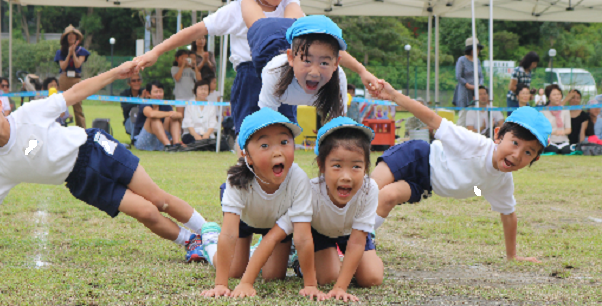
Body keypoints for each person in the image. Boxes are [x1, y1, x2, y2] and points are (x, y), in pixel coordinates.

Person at [0, 62, 208, 263]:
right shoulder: (0, 167)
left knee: (157, 199)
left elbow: (76, 92)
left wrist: (116, 73)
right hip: (80, 182)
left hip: (95, 149)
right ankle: (190, 242)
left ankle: (208, 231)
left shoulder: (31, 112)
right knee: (146, 213)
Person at [133, 0, 381, 135]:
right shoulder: (236, 11)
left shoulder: (291, 10)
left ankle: (279, 192)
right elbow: (195, 30)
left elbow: (326, 49)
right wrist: (156, 51)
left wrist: (362, 70)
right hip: (250, 77)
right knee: (249, 137)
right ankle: (246, 184)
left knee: (284, 135)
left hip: (286, 74)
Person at [370, 78, 549, 263]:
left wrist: (513, 256)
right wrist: (394, 95)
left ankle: (361, 238)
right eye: (515, 143)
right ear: (498, 135)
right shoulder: (474, 143)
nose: (518, 154)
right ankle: (345, 232)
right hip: (416, 156)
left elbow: (508, 215)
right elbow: (432, 119)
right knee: (370, 190)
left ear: (534, 159)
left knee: (388, 196)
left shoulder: (502, 182)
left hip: (425, 183)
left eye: (528, 152)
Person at [200, 108, 324, 300]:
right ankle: (208, 240)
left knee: (273, 275)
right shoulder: (237, 181)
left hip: (276, 222)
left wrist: (310, 285)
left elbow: (303, 237)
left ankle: (260, 249)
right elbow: (229, 234)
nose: (277, 152)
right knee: (234, 271)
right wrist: (220, 285)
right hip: (246, 218)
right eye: (265, 145)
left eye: (284, 142)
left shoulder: (298, 179)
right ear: (247, 156)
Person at [280, 117, 383, 301]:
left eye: (356, 166)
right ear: (321, 165)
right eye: (336, 166)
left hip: (352, 233)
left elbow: (357, 242)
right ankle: (299, 261)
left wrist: (340, 288)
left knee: (372, 278)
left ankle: (349, 257)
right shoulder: (310, 190)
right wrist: (333, 283)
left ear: (366, 167)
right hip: (320, 232)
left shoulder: (370, 188)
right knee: (329, 277)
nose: (346, 176)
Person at [54, 25, 90, 128]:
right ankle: (58, 128)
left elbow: (78, 64)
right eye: (69, 35)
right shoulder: (60, 52)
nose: (71, 37)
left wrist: (73, 52)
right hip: (64, 78)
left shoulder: (81, 51)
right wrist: (68, 53)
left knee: (78, 107)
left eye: (73, 35)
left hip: (76, 78)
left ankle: (82, 132)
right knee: (61, 105)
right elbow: (63, 66)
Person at [134, 81, 184, 152]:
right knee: (154, 118)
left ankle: (176, 145)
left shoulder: (165, 104)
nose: (158, 94)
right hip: (144, 142)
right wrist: (169, 113)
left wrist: (173, 114)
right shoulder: (145, 104)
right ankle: (168, 145)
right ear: (148, 94)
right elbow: (151, 114)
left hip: (161, 140)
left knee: (174, 118)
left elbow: (179, 115)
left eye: (160, 91)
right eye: (156, 92)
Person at [453, 37, 484, 126]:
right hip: (465, 92)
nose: (477, 51)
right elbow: (458, 76)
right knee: (464, 115)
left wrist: (479, 85)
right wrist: (467, 85)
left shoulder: (477, 60)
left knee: (475, 114)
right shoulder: (462, 60)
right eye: (476, 49)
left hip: (476, 92)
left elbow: (481, 75)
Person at [182, 79, 217, 144]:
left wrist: (207, 134)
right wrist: (195, 135)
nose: (203, 92)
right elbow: (188, 122)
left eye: (205, 89)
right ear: (195, 91)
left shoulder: (211, 105)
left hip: (207, 135)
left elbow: (213, 122)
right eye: (201, 89)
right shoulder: (190, 103)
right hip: (192, 134)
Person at [541, 84, 571, 154]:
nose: (557, 97)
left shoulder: (565, 110)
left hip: (564, 141)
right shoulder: (543, 111)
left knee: (566, 150)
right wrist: (554, 132)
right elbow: (543, 130)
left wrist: (562, 132)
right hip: (550, 142)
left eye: (559, 94)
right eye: (554, 95)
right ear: (549, 97)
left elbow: (568, 129)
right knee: (553, 150)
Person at [171, 49, 200, 117]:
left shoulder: (190, 70)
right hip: (180, 96)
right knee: (180, 116)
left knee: (190, 116)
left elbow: (199, 79)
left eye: (186, 58)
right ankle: (180, 128)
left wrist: (195, 66)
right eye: (182, 58)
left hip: (191, 96)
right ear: (176, 59)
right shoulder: (174, 68)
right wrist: (183, 66)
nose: (185, 60)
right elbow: (177, 78)